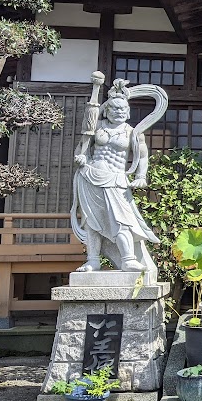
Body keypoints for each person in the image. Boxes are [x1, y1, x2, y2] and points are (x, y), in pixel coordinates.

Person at [72, 79, 159, 273]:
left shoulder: (133, 133)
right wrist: (80, 157)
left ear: (128, 111)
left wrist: (141, 175)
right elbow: (83, 147)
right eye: (115, 110)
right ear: (106, 111)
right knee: (91, 221)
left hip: (116, 180)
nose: (119, 113)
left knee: (123, 221)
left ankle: (128, 259)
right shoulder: (97, 127)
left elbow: (143, 156)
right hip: (91, 176)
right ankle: (93, 260)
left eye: (123, 110)